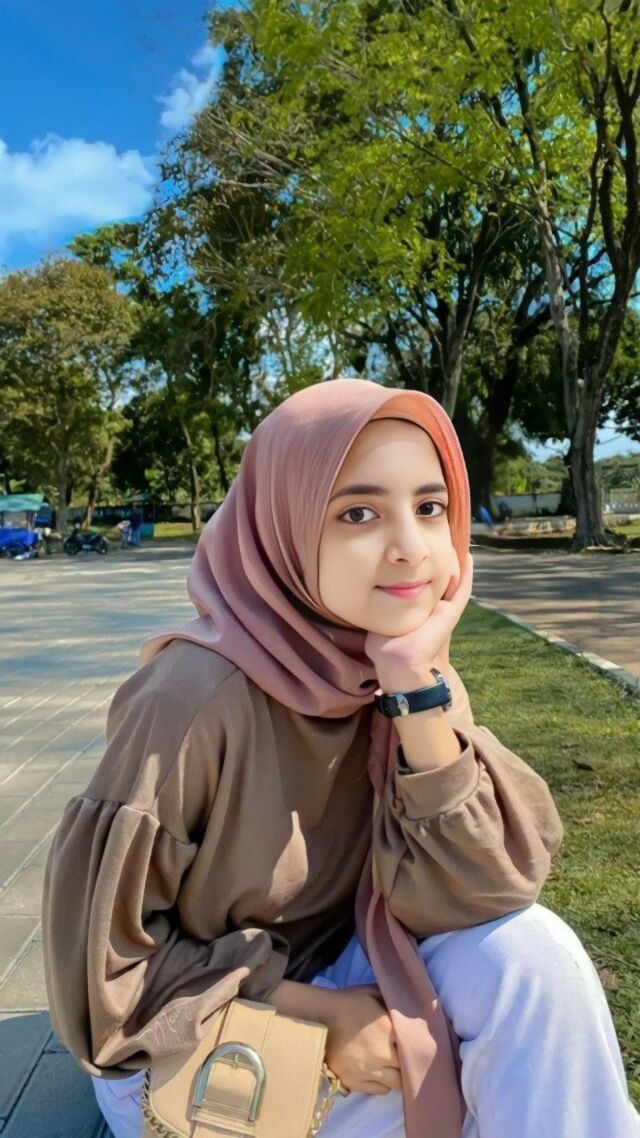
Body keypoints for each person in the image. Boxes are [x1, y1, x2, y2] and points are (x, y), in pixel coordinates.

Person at [41, 378, 639, 1138]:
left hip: (345, 968)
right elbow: (101, 975)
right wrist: (315, 1017)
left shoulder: (393, 669)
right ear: (284, 528)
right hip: (186, 1034)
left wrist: (416, 691)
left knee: (533, 957)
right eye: (359, 513)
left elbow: (488, 891)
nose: (411, 546)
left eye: (430, 508)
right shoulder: (189, 700)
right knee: (487, 1087)